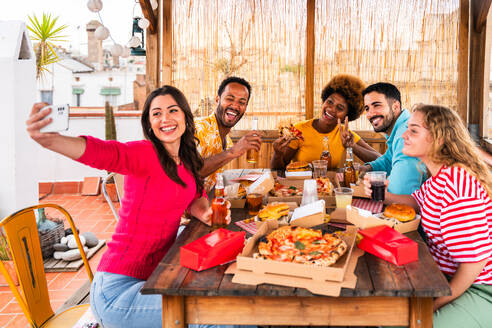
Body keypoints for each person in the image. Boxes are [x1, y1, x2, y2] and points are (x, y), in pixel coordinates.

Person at [26, 86, 231, 328]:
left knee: (228, 307)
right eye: (156, 113)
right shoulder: (144, 154)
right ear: (149, 123)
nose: (165, 119)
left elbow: (194, 195)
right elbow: (103, 152)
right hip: (116, 292)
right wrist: (51, 140)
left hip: (153, 277)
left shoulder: (186, 162)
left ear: (185, 116)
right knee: (216, 315)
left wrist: (204, 211)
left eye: (173, 110)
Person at [364, 104, 492, 328]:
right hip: (441, 277)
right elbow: (416, 202)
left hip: (480, 287)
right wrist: (383, 193)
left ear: (439, 139)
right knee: (386, 317)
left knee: (410, 323)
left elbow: (474, 264)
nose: (404, 134)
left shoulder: (457, 189)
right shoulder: (439, 177)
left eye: (414, 130)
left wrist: (430, 307)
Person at [270, 74, 380, 170]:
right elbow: (278, 169)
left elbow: (380, 160)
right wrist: (277, 154)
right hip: (301, 189)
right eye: (330, 102)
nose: (331, 109)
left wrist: (352, 146)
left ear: (347, 115)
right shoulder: (299, 130)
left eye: (340, 108)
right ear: (324, 100)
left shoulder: (344, 135)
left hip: (329, 188)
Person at [195, 76, 262, 193]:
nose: (235, 106)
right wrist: (232, 153)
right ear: (217, 100)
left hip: (202, 206)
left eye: (241, 102)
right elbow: (193, 172)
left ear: (245, 107)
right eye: (230, 99)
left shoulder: (228, 141)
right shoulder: (198, 127)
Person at [362, 82, 426, 194]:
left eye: (377, 105)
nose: (370, 114)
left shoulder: (405, 134)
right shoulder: (397, 129)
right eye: (367, 108)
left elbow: (400, 190)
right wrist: (368, 168)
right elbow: (388, 159)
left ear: (395, 106)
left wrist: (373, 189)